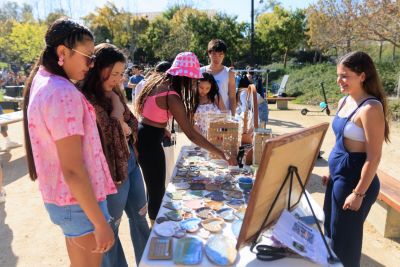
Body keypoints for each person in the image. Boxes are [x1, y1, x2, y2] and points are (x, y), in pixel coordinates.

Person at [23, 18, 116, 267]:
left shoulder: (43, 82)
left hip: (66, 200)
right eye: (88, 57)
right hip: (79, 203)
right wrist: (100, 223)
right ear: (62, 52)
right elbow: (73, 169)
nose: (91, 64)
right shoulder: (62, 92)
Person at [135, 52, 236, 223]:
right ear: (184, 77)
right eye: (191, 79)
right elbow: (191, 133)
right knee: (156, 190)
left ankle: (155, 223)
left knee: (154, 186)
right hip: (150, 141)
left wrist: (161, 128)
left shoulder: (158, 82)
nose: (193, 83)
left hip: (146, 133)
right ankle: (156, 228)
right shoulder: (172, 96)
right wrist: (221, 153)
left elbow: (149, 114)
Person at [79, 43, 150, 266]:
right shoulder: (86, 98)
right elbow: (107, 135)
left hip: (130, 164)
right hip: (110, 175)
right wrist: (118, 117)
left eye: (121, 74)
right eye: (114, 73)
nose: (119, 79)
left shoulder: (115, 94)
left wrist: (120, 116)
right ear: (98, 68)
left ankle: (148, 262)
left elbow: (133, 123)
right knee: (112, 230)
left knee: (140, 218)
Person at [322, 51, 390, 267]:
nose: (339, 81)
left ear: (362, 76)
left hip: (355, 181)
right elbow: (340, 141)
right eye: (338, 75)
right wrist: (331, 171)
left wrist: (358, 193)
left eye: (345, 76)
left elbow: (374, 156)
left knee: (345, 245)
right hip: (339, 176)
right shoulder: (344, 101)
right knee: (331, 232)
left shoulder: (371, 108)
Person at [200, 39, 236, 116]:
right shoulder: (201, 71)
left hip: (223, 116)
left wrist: (233, 117)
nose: (217, 58)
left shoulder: (229, 73)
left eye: (220, 55)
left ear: (224, 55)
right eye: (214, 54)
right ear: (209, 54)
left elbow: (232, 97)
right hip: (203, 115)